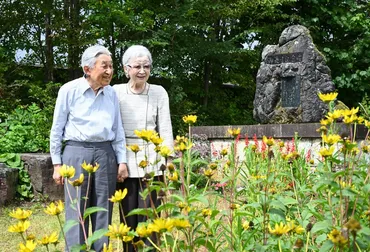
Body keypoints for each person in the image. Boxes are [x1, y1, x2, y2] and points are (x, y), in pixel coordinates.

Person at [50, 45, 128, 251]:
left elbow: (117, 129)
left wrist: (122, 161)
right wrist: (57, 164)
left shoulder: (111, 94)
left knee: (104, 208)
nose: (110, 71)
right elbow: (57, 128)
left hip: (105, 153)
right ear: (88, 69)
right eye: (105, 66)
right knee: (76, 209)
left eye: (111, 66)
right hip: (75, 152)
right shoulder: (68, 90)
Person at [113, 45, 174, 251]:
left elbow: (165, 128)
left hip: (153, 162)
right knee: (128, 216)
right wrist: (117, 160)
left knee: (150, 216)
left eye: (146, 66)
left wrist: (169, 160)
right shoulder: (115, 92)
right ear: (125, 68)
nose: (142, 71)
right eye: (137, 66)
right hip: (125, 161)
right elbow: (113, 128)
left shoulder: (159, 92)